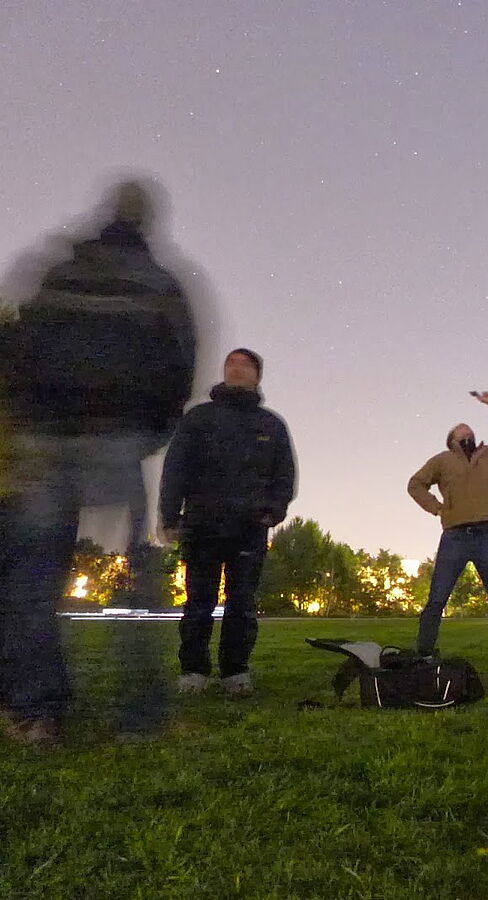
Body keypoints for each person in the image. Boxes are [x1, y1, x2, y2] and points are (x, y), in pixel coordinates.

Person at [0, 180, 197, 744]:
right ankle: (140, 717)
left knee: (34, 582)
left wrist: (27, 428)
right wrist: (150, 434)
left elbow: (22, 347)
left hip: (48, 438)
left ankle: (39, 712)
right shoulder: (161, 283)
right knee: (137, 578)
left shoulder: (58, 268)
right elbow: (179, 369)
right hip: (117, 438)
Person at [159, 348, 296, 696]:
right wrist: (170, 516)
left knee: (242, 604)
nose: (236, 369)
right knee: (198, 602)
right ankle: (194, 671)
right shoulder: (198, 419)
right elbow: (176, 468)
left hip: (249, 529)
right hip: (202, 524)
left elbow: (284, 475)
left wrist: (273, 510)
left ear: (257, 375)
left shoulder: (271, 425)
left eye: (245, 365)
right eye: (231, 363)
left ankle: (235, 671)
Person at [407, 391, 488, 699]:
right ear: (452, 441)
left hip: (486, 536)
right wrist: (435, 507)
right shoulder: (442, 461)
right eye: (461, 431)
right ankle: (424, 656)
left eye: (470, 430)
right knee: (436, 599)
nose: (467, 432)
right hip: (455, 538)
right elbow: (415, 484)